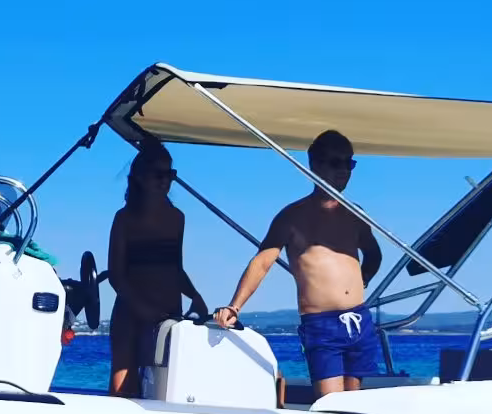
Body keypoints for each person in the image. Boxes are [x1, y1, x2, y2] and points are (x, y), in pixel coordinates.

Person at [213, 129, 383, 393]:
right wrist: (234, 307)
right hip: (322, 323)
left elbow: (373, 253)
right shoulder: (292, 217)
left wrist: (362, 280)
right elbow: (262, 262)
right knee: (331, 406)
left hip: (359, 318)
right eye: (335, 162)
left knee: (355, 404)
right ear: (314, 164)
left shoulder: (355, 214)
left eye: (349, 163)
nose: (344, 170)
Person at [107, 140, 206, 395]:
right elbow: (116, 274)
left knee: (163, 385)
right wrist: (141, 308)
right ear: (140, 177)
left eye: (170, 174)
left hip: (168, 310)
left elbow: (175, 267)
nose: (165, 180)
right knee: (123, 386)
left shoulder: (177, 218)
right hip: (131, 311)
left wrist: (195, 296)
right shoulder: (124, 218)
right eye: (158, 174)